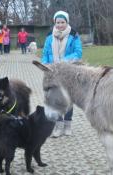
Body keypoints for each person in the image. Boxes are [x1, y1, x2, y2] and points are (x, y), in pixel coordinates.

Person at [41, 10, 82, 138]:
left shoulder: (74, 35)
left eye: (62, 22)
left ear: (66, 22)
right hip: (53, 72)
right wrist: (45, 64)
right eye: (57, 22)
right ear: (55, 23)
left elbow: (78, 52)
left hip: (68, 71)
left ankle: (67, 125)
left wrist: (63, 61)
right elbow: (45, 54)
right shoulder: (49, 37)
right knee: (55, 98)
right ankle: (58, 126)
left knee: (68, 99)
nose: (60, 25)